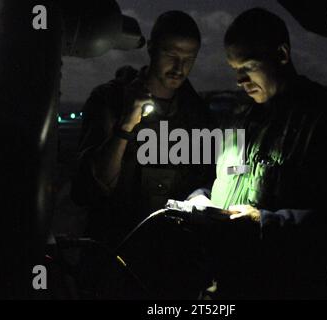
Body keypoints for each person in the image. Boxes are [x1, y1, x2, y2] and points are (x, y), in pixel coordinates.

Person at [198, 8, 327, 299]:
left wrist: (265, 222)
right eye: (235, 70)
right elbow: (228, 180)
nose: (240, 81)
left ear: (281, 55)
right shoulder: (242, 121)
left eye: (248, 67)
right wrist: (201, 197)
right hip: (228, 286)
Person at [70, 11, 213, 298]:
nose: (179, 67)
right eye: (171, 54)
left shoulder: (198, 115)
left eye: (189, 58)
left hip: (169, 270)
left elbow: (208, 182)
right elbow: (87, 187)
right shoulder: (109, 100)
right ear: (151, 48)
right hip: (112, 263)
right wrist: (125, 126)